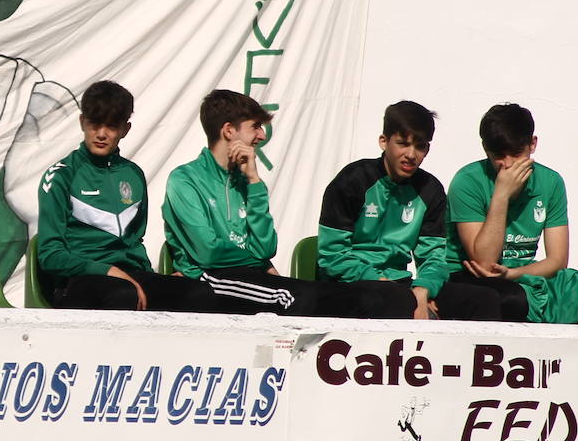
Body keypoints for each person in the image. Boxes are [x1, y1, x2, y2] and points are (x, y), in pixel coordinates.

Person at [163, 90, 408, 317]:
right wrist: (257, 260)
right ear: (229, 131)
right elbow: (208, 253)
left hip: (251, 277)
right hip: (209, 279)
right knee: (295, 298)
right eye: (255, 127)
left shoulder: (248, 182)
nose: (261, 135)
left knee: (340, 296)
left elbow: (267, 248)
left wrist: (254, 181)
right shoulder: (184, 179)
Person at [37, 80, 212, 311]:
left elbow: (134, 242)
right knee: (123, 294)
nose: (101, 134)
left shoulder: (133, 174)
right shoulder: (61, 175)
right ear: (82, 122)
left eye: (111, 126)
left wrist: (153, 280)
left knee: (200, 294)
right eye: (95, 124)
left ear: (125, 129)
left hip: (130, 277)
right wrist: (108, 270)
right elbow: (50, 255)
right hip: (78, 281)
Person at [317, 100, 499, 321]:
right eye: (403, 143)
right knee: (394, 300)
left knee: (485, 299)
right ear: (383, 142)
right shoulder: (352, 180)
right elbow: (332, 256)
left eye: (420, 146)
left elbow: (434, 257)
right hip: (350, 285)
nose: (411, 154)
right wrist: (389, 286)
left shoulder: (430, 189)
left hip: (401, 285)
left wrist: (423, 290)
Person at [446, 103, 578, 325]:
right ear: (485, 149)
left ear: (533, 144)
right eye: (499, 156)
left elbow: (558, 260)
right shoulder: (468, 180)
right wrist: (501, 195)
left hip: (523, 274)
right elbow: (484, 261)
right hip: (469, 277)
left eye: (516, 154)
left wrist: (513, 274)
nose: (508, 165)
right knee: (512, 299)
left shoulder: (551, 182)